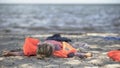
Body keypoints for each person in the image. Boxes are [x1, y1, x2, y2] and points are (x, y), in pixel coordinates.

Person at [2, 34, 92, 59]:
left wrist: (11, 53)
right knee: (63, 38)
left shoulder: (40, 47)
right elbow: (75, 54)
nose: (51, 44)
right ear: (52, 51)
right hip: (61, 41)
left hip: (48, 38)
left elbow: (23, 52)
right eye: (51, 45)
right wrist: (86, 54)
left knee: (51, 37)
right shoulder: (59, 50)